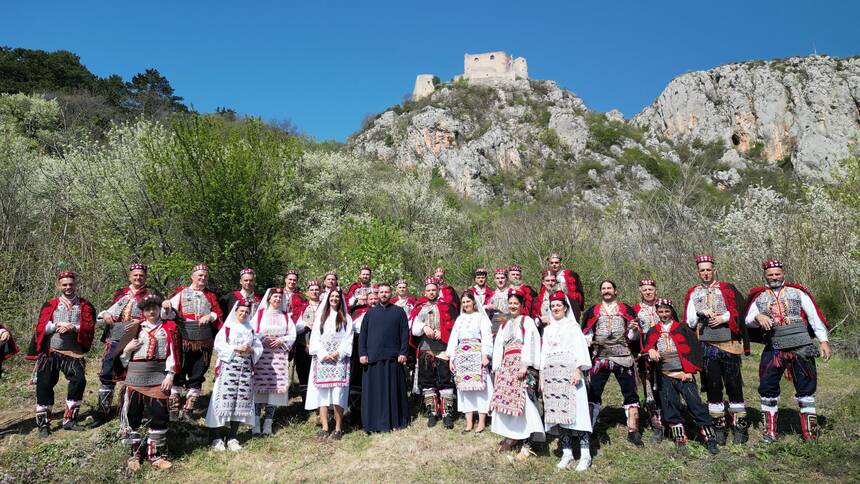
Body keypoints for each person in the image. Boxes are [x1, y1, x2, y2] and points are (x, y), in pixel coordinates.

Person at [745, 259, 831, 443]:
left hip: (801, 346)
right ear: (765, 276)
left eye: (777, 274)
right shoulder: (759, 296)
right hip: (774, 346)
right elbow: (747, 320)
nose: (774, 277)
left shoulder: (797, 292)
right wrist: (758, 316)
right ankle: (770, 433)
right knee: (767, 386)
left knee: (806, 387)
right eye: (770, 274)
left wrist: (823, 341)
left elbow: (814, 317)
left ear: (783, 274)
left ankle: (810, 434)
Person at [682, 255, 750, 445]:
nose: (705, 273)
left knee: (734, 384)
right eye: (702, 270)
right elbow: (689, 321)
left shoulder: (727, 289)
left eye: (708, 269)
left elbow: (739, 310)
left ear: (714, 270)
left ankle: (739, 427)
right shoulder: (693, 293)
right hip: (706, 345)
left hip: (728, 344)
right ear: (698, 272)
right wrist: (700, 313)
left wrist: (724, 318)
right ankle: (718, 427)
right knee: (713, 386)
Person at [643, 298, 719, 454]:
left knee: (695, 404)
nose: (664, 314)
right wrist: (650, 350)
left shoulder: (682, 328)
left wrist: (689, 371)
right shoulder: (653, 331)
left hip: (684, 373)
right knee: (670, 405)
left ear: (672, 311)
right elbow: (648, 347)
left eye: (667, 311)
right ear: (657, 312)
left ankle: (710, 439)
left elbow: (694, 350)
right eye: (660, 311)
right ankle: (679, 439)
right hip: (665, 375)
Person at [114, 294, 180, 470]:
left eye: (154, 308)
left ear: (159, 309)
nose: (151, 311)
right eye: (147, 309)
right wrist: (127, 350)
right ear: (142, 311)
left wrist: (170, 375)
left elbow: (173, 353)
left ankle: (155, 456)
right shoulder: (134, 328)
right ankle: (134, 455)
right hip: (135, 376)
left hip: (158, 376)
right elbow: (120, 357)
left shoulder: (169, 328)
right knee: (133, 415)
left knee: (159, 414)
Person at [92, 262, 161, 428]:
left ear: (145, 277)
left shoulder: (150, 294)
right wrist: (106, 314)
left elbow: (157, 315)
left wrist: (141, 320)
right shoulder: (121, 293)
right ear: (130, 276)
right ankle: (103, 411)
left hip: (137, 335)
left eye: (141, 275)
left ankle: (131, 410)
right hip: (116, 333)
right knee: (108, 371)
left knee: (132, 372)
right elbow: (110, 311)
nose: (138, 278)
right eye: (135, 275)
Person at [31, 271, 96, 437]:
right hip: (51, 350)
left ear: (76, 284)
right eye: (64, 284)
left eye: (71, 284)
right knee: (44, 384)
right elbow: (41, 328)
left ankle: (70, 420)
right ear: (59, 286)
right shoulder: (50, 304)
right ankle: (44, 424)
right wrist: (56, 325)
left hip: (73, 351)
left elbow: (90, 327)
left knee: (79, 380)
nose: (68, 287)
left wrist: (74, 327)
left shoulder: (85, 305)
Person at [581, 280, 643, 446]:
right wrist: (587, 341)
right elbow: (587, 331)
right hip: (600, 358)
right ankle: (589, 429)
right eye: (603, 288)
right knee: (593, 392)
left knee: (630, 393)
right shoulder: (594, 310)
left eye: (609, 288)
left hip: (623, 356)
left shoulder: (625, 309)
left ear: (615, 291)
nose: (606, 291)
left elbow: (633, 338)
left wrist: (634, 330)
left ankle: (633, 430)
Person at [163, 264, 224, 420]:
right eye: (200, 275)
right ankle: (174, 408)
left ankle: (189, 409)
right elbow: (168, 314)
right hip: (183, 337)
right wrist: (166, 306)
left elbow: (218, 314)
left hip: (204, 339)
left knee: (198, 371)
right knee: (179, 369)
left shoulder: (210, 295)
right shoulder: (181, 292)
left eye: (205, 276)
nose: (203, 278)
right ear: (192, 277)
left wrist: (210, 316)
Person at [541, 291, 593, 471]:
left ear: (565, 308)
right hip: (552, 377)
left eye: (558, 305)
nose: (555, 308)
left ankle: (585, 455)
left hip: (570, 374)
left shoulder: (572, 326)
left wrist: (578, 369)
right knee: (559, 414)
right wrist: (542, 378)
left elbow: (580, 348)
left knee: (579, 413)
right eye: (553, 306)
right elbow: (544, 354)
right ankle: (567, 452)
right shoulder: (548, 330)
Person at [489, 292, 544, 461]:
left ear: (521, 305)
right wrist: (497, 368)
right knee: (507, 402)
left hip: (522, 366)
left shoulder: (527, 321)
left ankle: (528, 444)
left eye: (515, 303)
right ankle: (512, 436)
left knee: (526, 403)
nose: (512, 306)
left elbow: (531, 342)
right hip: (507, 366)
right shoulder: (504, 324)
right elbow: (499, 347)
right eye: (510, 303)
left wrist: (525, 364)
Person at [206, 300, 263, 451]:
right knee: (222, 400)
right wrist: (236, 348)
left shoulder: (251, 329)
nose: (244, 314)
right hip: (228, 368)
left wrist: (251, 350)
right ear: (236, 312)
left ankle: (232, 436)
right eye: (241, 311)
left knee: (240, 402)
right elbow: (219, 345)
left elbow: (259, 347)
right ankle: (216, 437)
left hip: (245, 370)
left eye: (246, 312)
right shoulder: (227, 327)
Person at [358, 283, 410, 433]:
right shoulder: (370, 314)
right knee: (374, 393)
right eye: (381, 292)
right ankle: (374, 423)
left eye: (387, 292)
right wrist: (362, 353)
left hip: (393, 358)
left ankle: (395, 421)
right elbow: (363, 335)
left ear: (391, 293)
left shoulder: (399, 312)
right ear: (377, 294)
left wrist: (403, 352)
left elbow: (404, 333)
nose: (384, 294)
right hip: (373, 359)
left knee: (393, 392)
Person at [410, 276, 458, 429]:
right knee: (427, 381)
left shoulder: (447, 306)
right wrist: (424, 327)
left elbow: (454, 326)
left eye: (433, 290)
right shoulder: (420, 307)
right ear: (425, 292)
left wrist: (443, 333)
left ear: (438, 290)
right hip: (426, 348)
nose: (431, 292)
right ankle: (432, 412)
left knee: (445, 381)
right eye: (428, 290)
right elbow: (414, 327)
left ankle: (447, 414)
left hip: (443, 348)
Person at [306, 289, 354, 440]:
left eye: (337, 297)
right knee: (323, 394)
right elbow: (315, 338)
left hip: (339, 360)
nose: (334, 299)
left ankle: (338, 428)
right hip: (323, 360)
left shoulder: (346, 318)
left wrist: (338, 353)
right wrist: (323, 354)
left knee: (338, 394)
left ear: (340, 299)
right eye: (332, 296)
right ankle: (325, 427)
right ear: (327, 299)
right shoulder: (321, 317)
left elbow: (348, 338)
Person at [446, 291, 493, 433]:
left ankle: (482, 421)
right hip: (462, 356)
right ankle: (469, 422)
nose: (466, 304)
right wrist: (452, 358)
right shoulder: (459, 319)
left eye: (468, 301)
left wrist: (485, 355)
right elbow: (453, 338)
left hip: (477, 354)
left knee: (481, 389)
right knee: (465, 389)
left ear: (473, 302)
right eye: (464, 302)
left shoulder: (481, 317)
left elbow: (487, 336)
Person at [252, 288, 297, 435]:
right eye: (275, 297)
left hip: (278, 356)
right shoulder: (260, 314)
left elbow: (292, 334)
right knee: (259, 388)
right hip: (262, 357)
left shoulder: (285, 316)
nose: (277, 299)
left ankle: (268, 423)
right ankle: (255, 423)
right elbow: (252, 331)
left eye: (279, 297)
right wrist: (263, 339)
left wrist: (281, 340)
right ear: (269, 298)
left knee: (274, 389)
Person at [632, 278, 664, 442]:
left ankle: (670, 420)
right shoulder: (636, 309)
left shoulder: (664, 306)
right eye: (644, 290)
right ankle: (656, 424)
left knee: (666, 386)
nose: (648, 292)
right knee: (649, 388)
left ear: (655, 290)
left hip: (664, 351)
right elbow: (632, 335)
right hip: (645, 353)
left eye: (650, 289)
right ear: (640, 292)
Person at [290, 278, 320, 404]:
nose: (314, 292)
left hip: (320, 345)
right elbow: (293, 328)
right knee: (304, 372)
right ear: (307, 292)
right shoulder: (302, 307)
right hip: (303, 345)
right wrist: (305, 325)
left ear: (320, 291)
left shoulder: (325, 306)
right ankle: (306, 403)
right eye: (311, 290)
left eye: (317, 289)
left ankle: (319, 402)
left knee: (318, 373)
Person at [547, 253, 585, 319]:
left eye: (556, 263)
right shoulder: (547, 277)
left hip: (568, 307)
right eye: (552, 263)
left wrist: (576, 307)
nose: (554, 264)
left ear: (560, 264)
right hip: (552, 307)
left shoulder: (570, 274)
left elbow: (579, 293)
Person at [486, 267, 512, 337]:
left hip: (508, 323)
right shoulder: (491, 294)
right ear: (494, 280)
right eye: (497, 278)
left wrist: (496, 308)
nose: (500, 280)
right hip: (493, 325)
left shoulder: (511, 293)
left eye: (502, 278)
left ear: (506, 279)